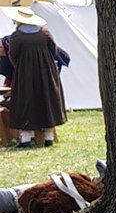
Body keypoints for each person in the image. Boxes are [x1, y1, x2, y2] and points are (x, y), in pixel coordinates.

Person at [0, 8, 70, 147]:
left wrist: (22, 68)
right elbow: (53, 50)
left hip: (25, 74)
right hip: (46, 72)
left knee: (26, 102)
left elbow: (13, 55)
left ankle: (26, 138)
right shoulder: (45, 33)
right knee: (47, 100)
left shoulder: (17, 36)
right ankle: (48, 137)